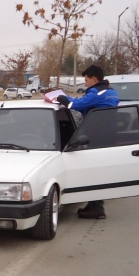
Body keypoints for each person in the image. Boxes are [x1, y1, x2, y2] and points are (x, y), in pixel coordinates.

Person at [57, 64, 120, 219]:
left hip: (97, 135)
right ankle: (94, 205)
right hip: (108, 134)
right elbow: (85, 104)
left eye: (86, 80)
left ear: (94, 79)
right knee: (98, 170)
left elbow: (75, 105)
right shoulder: (111, 92)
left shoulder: (98, 92)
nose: (85, 83)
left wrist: (61, 98)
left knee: (95, 171)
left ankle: (97, 208)